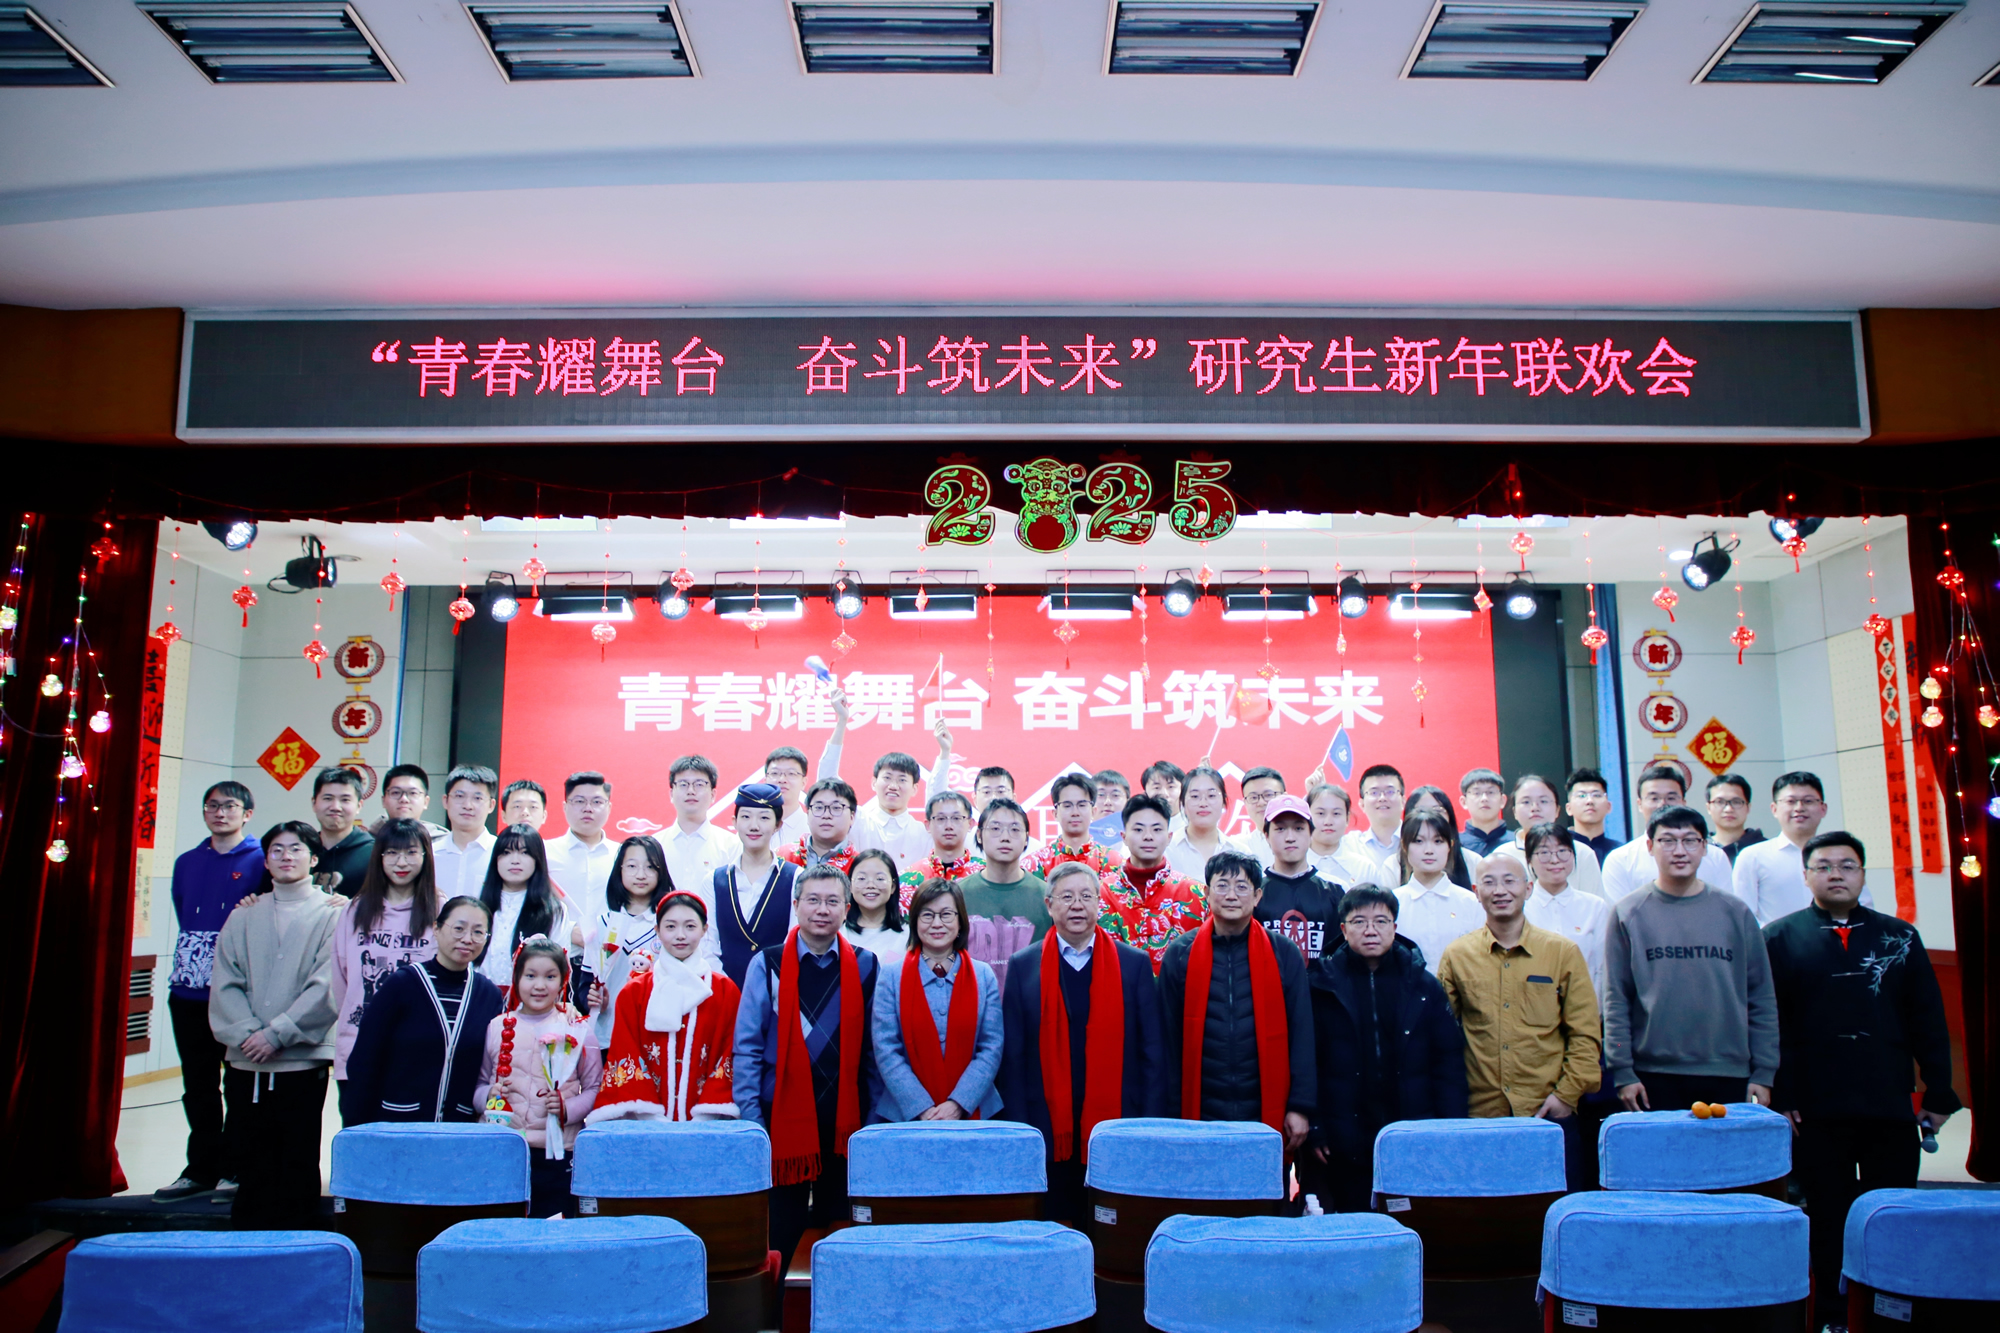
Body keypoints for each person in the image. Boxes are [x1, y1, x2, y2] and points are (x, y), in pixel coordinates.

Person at [1763, 832, 1962, 1331]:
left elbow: (1927, 1019)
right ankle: (1833, 1316)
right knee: (1827, 1216)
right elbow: (1769, 1024)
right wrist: (1781, 1094)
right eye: (1824, 866)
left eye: (1847, 865)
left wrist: (1939, 1092)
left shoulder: (1899, 937)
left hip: (1887, 1103)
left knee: (1893, 1212)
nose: (1836, 874)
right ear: (1806, 876)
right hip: (1814, 1108)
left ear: (1862, 874)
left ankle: (1891, 1312)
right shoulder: (1779, 938)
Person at [999, 863, 1167, 1227]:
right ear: (1049, 905)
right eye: (1067, 896)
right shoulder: (1024, 966)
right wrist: (1020, 1129)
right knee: (1053, 1224)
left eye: (1086, 896)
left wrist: (1147, 1125)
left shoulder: (1132, 964)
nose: (1077, 905)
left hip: (1117, 1122)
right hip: (1046, 1125)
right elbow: (1012, 1058)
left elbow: (1152, 1054)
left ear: (1099, 905)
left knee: (1112, 1229)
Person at [734, 865, 883, 1276]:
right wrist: (752, 1121)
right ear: (796, 905)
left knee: (844, 1237)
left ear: (847, 909)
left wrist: (872, 1122)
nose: (822, 909)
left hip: (845, 1126)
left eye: (833, 901)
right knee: (781, 1237)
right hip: (780, 1126)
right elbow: (746, 1048)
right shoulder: (768, 964)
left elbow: (874, 1052)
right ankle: (780, 1307)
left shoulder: (865, 965)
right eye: (813, 900)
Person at [205, 821, 340, 1229]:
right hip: (247, 1059)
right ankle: (247, 1245)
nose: (286, 856)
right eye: (277, 850)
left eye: (296, 849)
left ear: (313, 859)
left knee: (297, 1159)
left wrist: (278, 1034)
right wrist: (250, 1034)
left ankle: (298, 1244)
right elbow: (225, 982)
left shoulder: (335, 913)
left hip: (301, 1061)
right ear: (265, 861)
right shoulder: (244, 915)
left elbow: (328, 984)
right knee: (249, 1160)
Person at [1438, 854, 1600, 1185]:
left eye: (1509, 881)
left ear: (1528, 889)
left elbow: (1585, 1035)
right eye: (1489, 882)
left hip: (1548, 1113)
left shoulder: (1562, 952)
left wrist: (1565, 1097)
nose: (1500, 890)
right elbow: (1440, 1040)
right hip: (1481, 1116)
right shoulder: (1457, 956)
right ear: (1476, 892)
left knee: (1555, 1209)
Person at [1604, 806, 1777, 1111]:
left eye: (1690, 840)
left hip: (1729, 1071)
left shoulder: (1735, 912)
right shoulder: (1628, 913)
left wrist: (1764, 1071)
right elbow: (1616, 999)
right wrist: (1622, 1070)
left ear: (1705, 847)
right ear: (1650, 846)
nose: (1679, 851)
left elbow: (1761, 996)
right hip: (1651, 1074)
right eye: (1668, 840)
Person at [1305, 887, 1467, 1213]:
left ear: (1394, 927)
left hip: (1413, 1133)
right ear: (1343, 929)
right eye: (1359, 922)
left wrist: (1449, 1128)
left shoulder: (1423, 984)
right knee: (1355, 1222)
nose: (1370, 930)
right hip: (1344, 1136)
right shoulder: (1320, 985)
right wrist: (1316, 1128)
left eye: (1380, 921)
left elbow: (1448, 1062)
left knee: (1411, 1219)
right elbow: (1309, 1062)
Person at [1159, 853, 1313, 1151]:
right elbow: (1167, 1039)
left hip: (1265, 1109)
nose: (1231, 895)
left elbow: (1302, 1033)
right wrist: (1170, 1111)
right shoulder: (1180, 953)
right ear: (1206, 893)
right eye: (1222, 885)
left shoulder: (1283, 953)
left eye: (1242, 887)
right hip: (1199, 1109)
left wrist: (1300, 1105)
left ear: (1257, 896)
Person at [156, 781, 262, 1202]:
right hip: (188, 992)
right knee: (198, 1085)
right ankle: (200, 1168)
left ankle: (235, 1168)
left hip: (239, 993)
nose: (220, 813)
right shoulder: (186, 861)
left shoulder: (261, 860)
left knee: (238, 1084)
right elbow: (183, 911)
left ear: (247, 813)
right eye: (212, 806)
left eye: (230, 806)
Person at [345, 896, 505, 1123]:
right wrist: (357, 1127)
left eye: (478, 932)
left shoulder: (488, 995)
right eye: (458, 928)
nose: (467, 939)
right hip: (399, 1122)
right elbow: (364, 1060)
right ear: (436, 929)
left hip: (458, 1127)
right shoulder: (402, 985)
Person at [590, 891, 742, 1124]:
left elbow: (728, 1053)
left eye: (690, 926)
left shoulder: (725, 991)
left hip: (708, 1122)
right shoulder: (634, 992)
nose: (680, 935)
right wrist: (648, 1115)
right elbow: (625, 1050)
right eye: (670, 926)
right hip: (645, 1121)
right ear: (657, 930)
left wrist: (708, 1114)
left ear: (705, 930)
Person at [475, 938, 601, 1217]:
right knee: (503, 1224)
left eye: (550, 976)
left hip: (556, 1151)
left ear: (563, 980)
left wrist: (567, 1110)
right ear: (517, 978)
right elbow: (480, 1083)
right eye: (530, 976)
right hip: (502, 1146)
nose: (539, 985)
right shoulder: (497, 1027)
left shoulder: (577, 1028)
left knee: (552, 1223)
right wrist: (488, 1095)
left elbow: (595, 1088)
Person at [330, 819, 439, 1123]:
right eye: (391, 853)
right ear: (379, 857)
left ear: (425, 856)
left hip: (416, 1048)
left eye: (411, 853)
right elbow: (341, 978)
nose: (401, 862)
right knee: (359, 1133)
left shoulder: (439, 909)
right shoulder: (356, 909)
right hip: (359, 1044)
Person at [873, 880, 1005, 1121]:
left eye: (946, 914)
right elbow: (886, 1049)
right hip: (905, 1115)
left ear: (960, 920)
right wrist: (920, 1107)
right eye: (927, 915)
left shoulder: (983, 975)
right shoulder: (891, 976)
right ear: (914, 921)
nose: (936, 923)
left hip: (973, 1111)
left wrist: (959, 1103)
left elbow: (991, 1046)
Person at [578, 836, 680, 1047]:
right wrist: (595, 1000)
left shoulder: (669, 926)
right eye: (632, 866)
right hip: (607, 1038)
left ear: (661, 872)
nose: (641, 875)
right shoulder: (602, 925)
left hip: (655, 1038)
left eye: (650, 867)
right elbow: (585, 986)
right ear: (620, 870)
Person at [1734, 772, 1870, 926]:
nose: (1799, 808)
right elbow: (1743, 915)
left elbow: (1864, 906)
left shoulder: (1842, 856)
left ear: (1823, 809)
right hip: (1775, 940)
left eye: (1808, 801)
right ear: (1774, 809)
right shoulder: (1752, 856)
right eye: (1790, 801)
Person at [1101, 794, 1208, 970]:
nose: (1148, 836)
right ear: (1123, 836)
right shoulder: (1102, 893)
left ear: (1169, 836)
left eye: (1157, 829)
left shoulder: (1196, 893)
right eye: (1138, 830)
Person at [1600, 766, 1734, 901]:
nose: (1662, 805)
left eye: (1671, 798)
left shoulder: (1715, 857)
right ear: (1640, 804)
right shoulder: (1620, 860)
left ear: (1683, 802)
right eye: (1654, 798)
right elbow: (1621, 911)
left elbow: (1726, 907)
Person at [956, 798, 1050, 989]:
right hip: (973, 999)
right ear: (979, 835)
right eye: (995, 828)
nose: (1005, 837)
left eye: (1015, 829)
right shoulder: (958, 894)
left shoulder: (1047, 896)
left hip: (1032, 1002)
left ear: (1027, 838)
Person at [476, 825, 576, 997]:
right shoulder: (479, 905)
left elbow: (558, 967)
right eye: (506, 852)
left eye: (524, 853)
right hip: (478, 996)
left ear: (537, 859)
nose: (515, 860)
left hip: (530, 1002)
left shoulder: (554, 910)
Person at [715, 783, 799, 985]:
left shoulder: (796, 877)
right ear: (734, 822)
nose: (754, 826)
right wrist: (726, 990)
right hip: (724, 991)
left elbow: (794, 941)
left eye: (764, 818)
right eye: (746, 817)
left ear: (778, 824)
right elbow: (708, 944)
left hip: (776, 989)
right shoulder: (714, 880)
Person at [1520, 823, 1609, 1002]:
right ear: (1529, 859)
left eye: (1562, 851)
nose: (1555, 860)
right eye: (1544, 853)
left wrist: (1594, 1011)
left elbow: (1602, 968)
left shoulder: (1594, 907)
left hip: (1584, 1008)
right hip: (1531, 1008)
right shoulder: (1520, 908)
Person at [1255, 795, 1343, 963]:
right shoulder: (1254, 892)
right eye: (1280, 829)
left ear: (1311, 834)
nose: (1290, 837)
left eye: (1298, 828)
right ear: (1266, 836)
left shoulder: (1335, 890)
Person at [1392, 812, 1482, 973]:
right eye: (1418, 841)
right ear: (1404, 846)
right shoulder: (1392, 903)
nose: (1429, 850)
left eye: (1438, 841)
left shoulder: (1471, 903)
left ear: (1450, 846)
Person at [661, 756, 743, 922]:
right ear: (671, 793)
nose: (691, 791)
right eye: (683, 784)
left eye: (699, 784)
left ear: (713, 794)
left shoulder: (731, 845)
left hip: (714, 934)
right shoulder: (656, 845)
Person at [1505, 774, 1602, 898]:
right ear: (1514, 812)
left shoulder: (1582, 853)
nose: (1535, 808)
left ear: (1557, 810)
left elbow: (1595, 903)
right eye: (1526, 802)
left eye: (1543, 801)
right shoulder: (1503, 855)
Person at [851, 751, 932, 875]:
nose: (893, 786)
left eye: (902, 780)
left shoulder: (923, 834)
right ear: (874, 783)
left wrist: (944, 755)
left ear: (914, 789)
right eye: (887, 778)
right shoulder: (857, 820)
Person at [1030, 772, 1123, 878]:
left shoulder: (1115, 863)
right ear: (1055, 813)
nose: (1075, 812)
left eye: (1082, 805)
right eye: (1067, 806)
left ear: (1093, 811)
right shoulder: (1035, 863)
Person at [899, 790, 986, 901]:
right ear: (928, 825)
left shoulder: (986, 874)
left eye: (956, 818)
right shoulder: (908, 880)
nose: (949, 826)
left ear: (970, 824)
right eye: (941, 819)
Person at [546, 771, 617, 905]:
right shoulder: (545, 852)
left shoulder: (621, 855)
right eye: (579, 801)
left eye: (597, 802)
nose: (588, 808)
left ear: (609, 808)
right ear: (565, 807)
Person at [432, 765, 498, 899]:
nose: (468, 805)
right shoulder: (430, 855)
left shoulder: (500, 854)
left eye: (477, 798)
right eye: (459, 796)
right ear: (445, 801)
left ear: (491, 805)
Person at [309, 767, 374, 894]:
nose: (335, 807)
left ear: (359, 806)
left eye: (345, 800)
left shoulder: (374, 852)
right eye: (328, 798)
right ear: (314, 803)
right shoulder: (303, 850)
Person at [1341, 764, 1407, 887]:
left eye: (1390, 791)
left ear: (1403, 801)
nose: (1382, 798)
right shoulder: (1349, 844)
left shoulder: (1417, 841)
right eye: (1374, 792)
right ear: (1362, 804)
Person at [1164, 765, 1233, 881]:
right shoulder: (1166, 850)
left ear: (1223, 802)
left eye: (1211, 795)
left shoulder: (1238, 851)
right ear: (1182, 803)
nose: (1203, 803)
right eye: (1195, 796)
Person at [781, 776, 861, 876]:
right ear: (808, 814)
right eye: (819, 807)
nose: (826, 815)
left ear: (852, 817)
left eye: (836, 808)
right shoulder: (781, 857)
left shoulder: (861, 866)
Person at [1403, 786, 1482, 887]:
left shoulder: (1472, 860)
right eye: (1421, 811)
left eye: (1437, 810)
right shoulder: (1393, 865)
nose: (1429, 816)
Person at [840, 848, 909, 963]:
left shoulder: (909, 935)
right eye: (862, 878)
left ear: (893, 886)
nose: (870, 885)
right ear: (850, 885)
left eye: (880, 879)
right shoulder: (838, 932)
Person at [1305, 783, 1378, 888]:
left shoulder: (1364, 869)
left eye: (1336, 814)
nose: (1328, 822)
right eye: (1321, 813)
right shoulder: (1292, 865)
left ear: (1347, 818)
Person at [1706, 773, 1768, 865]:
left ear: (1748, 807)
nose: (1728, 809)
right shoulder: (1699, 848)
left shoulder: (1766, 849)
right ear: (1708, 808)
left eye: (1736, 802)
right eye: (1720, 802)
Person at [376, 764, 448, 840]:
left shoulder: (442, 843)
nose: (404, 799)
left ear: (426, 802)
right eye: (396, 792)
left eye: (413, 793)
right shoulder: (369, 842)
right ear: (383, 801)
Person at [1563, 768, 1620, 864]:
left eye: (1596, 795)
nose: (1589, 801)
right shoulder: (1560, 851)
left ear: (1608, 806)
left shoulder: (1620, 852)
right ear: (1569, 808)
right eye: (1581, 796)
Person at [1233, 766, 1287, 864]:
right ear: (1245, 803)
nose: (1261, 802)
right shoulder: (1238, 847)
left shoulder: (1305, 841)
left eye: (1268, 795)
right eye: (1253, 797)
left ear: (1285, 797)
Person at [1456, 768, 1511, 858]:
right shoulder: (1455, 845)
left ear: (1502, 800)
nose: (1484, 798)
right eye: (1476, 793)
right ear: (1464, 802)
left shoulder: (1518, 843)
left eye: (1491, 792)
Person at [1092, 769, 1132, 850]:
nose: (1107, 802)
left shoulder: (1136, 837)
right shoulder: (1079, 837)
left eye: (1115, 795)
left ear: (1127, 802)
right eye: (1101, 795)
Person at [1142, 760, 1187, 826]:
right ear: (1145, 793)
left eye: (1171, 787)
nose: (1164, 794)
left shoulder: (1192, 822)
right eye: (1156, 788)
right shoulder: (1138, 821)